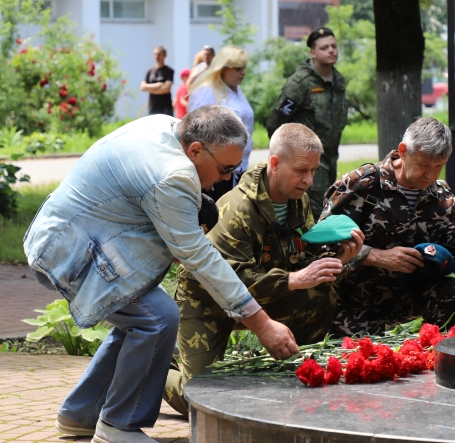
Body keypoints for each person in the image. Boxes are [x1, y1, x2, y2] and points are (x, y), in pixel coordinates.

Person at [24, 106, 298, 443]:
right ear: (195, 149)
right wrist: (262, 323)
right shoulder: (174, 175)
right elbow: (197, 255)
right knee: (157, 318)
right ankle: (118, 427)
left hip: (66, 236)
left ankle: (80, 413)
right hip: (70, 254)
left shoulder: (166, 127)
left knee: (138, 320)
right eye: (226, 168)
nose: (229, 178)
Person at [163, 123, 364, 417]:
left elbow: (303, 251)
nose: (308, 180)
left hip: (265, 295)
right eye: (300, 170)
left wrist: (338, 259)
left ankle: (294, 367)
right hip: (208, 299)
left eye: (313, 171)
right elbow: (227, 279)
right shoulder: (238, 209)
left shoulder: (298, 199)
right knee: (199, 399)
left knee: (321, 291)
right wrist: (293, 279)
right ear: (274, 164)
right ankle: (153, 367)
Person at [320, 117, 455, 337]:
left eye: (439, 166)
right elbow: (321, 243)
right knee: (363, 360)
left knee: (452, 290)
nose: (432, 176)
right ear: (403, 151)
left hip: (407, 298)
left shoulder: (441, 195)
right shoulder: (363, 184)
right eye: (424, 166)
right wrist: (375, 255)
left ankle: (435, 348)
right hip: (355, 302)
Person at [266, 27, 348, 219]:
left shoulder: (338, 80)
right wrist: (288, 154)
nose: (331, 51)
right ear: (313, 53)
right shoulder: (299, 83)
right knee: (315, 212)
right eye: (324, 47)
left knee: (327, 205)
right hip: (306, 159)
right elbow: (276, 120)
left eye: (334, 46)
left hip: (330, 157)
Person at [188, 45, 254, 199]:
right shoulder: (207, 91)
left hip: (237, 169)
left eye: (244, 67)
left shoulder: (235, 89)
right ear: (223, 69)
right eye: (238, 68)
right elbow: (196, 132)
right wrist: (204, 172)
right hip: (216, 173)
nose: (243, 72)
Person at [140, 46, 174, 116]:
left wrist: (149, 89)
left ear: (165, 55)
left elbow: (166, 89)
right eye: (155, 54)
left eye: (159, 54)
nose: (156, 57)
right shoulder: (149, 71)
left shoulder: (169, 71)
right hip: (153, 108)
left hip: (166, 108)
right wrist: (158, 85)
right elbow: (143, 87)